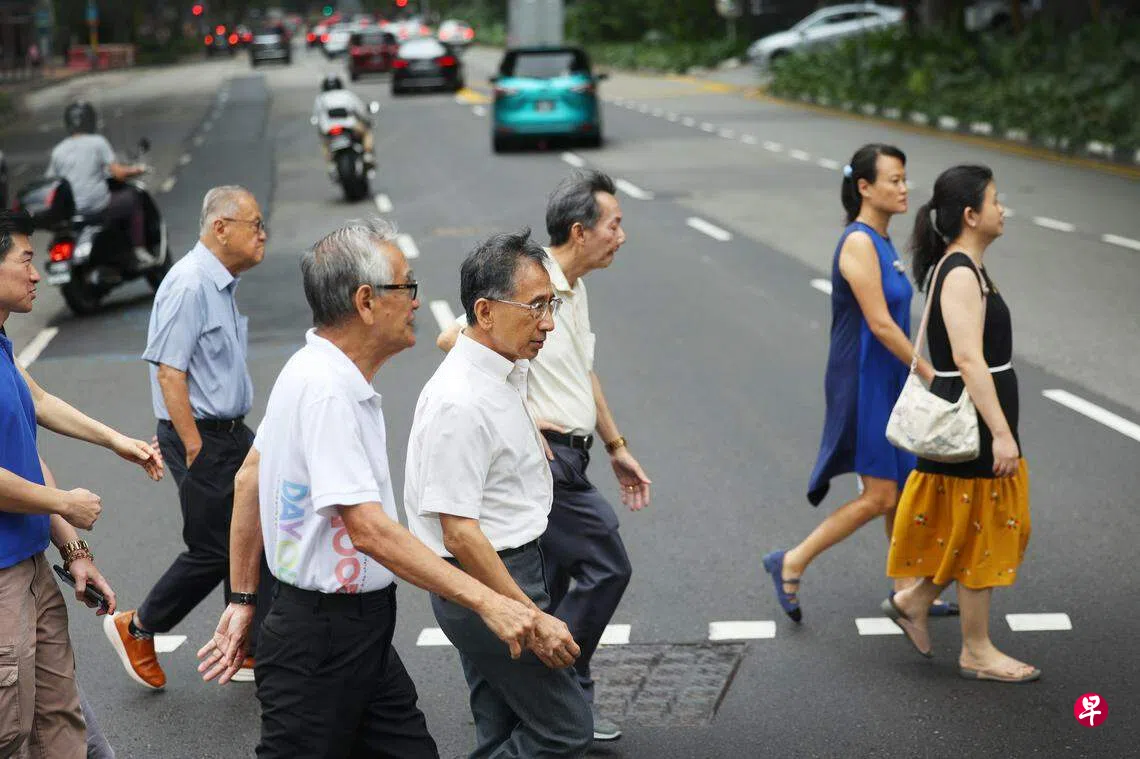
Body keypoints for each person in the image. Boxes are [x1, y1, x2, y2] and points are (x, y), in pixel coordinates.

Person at [195, 220, 538, 759]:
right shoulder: (328, 392)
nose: (417, 304)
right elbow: (370, 531)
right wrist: (488, 601)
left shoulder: (308, 368)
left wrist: (242, 600)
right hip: (318, 641)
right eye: (406, 288)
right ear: (366, 301)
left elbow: (249, 479)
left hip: (355, 634)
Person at [438, 171, 646, 741]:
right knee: (606, 562)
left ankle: (517, 715)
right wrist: (523, 414)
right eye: (614, 223)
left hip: (570, 454)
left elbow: (582, 372)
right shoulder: (532, 284)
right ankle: (560, 683)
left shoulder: (571, 293)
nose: (622, 235)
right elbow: (453, 338)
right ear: (580, 231)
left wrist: (616, 445)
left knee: (538, 592)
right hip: (544, 456)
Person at [408, 230, 593, 759]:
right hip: (489, 576)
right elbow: (459, 531)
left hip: (504, 570)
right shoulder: (460, 402)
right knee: (565, 729)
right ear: (484, 312)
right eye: (536, 307)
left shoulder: (502, 367)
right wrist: (529, 615)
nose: (549, 323)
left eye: (551, 304)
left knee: (499, 725)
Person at [762, 144, 956, 622]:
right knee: (881, 495)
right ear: (865, 187)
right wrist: (933, 376)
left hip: (890, 377)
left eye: (904, 178)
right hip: (865, 379)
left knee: (904, 485)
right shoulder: (858, 242)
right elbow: (881, 324)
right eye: (893, 179)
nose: (904, 187)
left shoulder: (883, 241)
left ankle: (906, 589)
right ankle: (790, 561)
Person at [0, 209, 163, 758]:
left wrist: (72, 547)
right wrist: (62, 500)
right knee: (12, 735)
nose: (38, 274)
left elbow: (37, 408)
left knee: (61, 722)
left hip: (30, 571)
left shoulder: (0, 344)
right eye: (26, 259)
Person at [104, 186, 272, 690]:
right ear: (221, 228)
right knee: (214, 547)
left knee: (252, 534)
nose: (263, 234)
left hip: (229, 431)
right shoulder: (190, 284)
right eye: (255, 224)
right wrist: (195, 448)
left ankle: (244, 647)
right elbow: (169, 373)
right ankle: (138, 627)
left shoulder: (219, 283)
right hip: (200, 435)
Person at [883, 165, 1036, 682]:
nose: (1003, 209)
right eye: (996, 200)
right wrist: (1001, 433)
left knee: (977, 529)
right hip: (970, 421)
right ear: (971, 215)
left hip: (973, 416)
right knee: (984, 530)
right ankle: (975, 649)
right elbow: (970, 360)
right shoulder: (960, 273)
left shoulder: (967, 267)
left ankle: (915, 600)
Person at [46, 101, 150, 266]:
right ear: (91, 120)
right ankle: (139, 249)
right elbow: (119, 174)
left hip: (72, 212)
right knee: (134, 199)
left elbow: (51, 182)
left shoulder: (58, 151)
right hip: (97, 206)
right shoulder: (97, 142)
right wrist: (137, 170)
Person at [312, 74, 374, 167]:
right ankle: (367, 155)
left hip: (328, 128)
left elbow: (316, 117)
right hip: (349, 125)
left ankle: (330, 164)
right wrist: (367, 120)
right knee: (366, 133)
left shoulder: (320, 98)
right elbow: (361, 110)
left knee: (325, 143)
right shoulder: (347, 94)